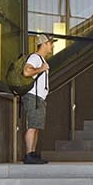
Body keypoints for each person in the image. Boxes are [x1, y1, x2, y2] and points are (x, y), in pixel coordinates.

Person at [22, 35, 55, 164]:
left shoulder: (40, 59)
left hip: (39, 98)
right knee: (32, 126)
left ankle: (33, 153)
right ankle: (29, 155)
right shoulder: (35, 58)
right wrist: (42, 68)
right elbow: (26, 71)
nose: (52, 46)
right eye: (50, 43)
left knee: (36, 126)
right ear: (44, 44)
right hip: (33, 97)